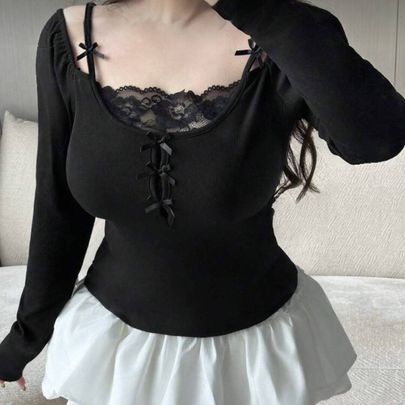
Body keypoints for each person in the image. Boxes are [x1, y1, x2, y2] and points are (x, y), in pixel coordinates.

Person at [1, 0, 404, 403]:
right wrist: (23, 340)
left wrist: (262, 12)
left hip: (254, 359)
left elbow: (375, 140)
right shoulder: (68, 35)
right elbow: (58, 208)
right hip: (114, 353)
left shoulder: (285, 30)